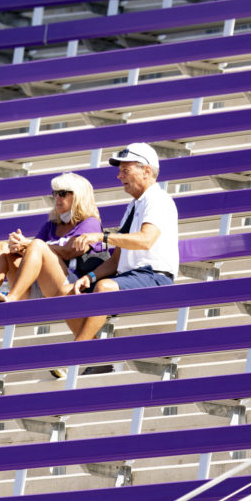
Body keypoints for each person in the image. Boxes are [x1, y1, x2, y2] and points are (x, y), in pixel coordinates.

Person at [69, 142, 178, 364]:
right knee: (71, 290)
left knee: (105, 287)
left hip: (154, 276)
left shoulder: (157, 199)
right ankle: (95, 356)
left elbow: (146, 240)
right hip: (134, 276)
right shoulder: (135, 204)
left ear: (146, 171)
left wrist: (102, 237)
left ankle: (76, 353)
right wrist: (89, 278)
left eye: (125, 170)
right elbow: (118, 258)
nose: (119, 176)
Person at [0, 172, 109, 308]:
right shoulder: (51, 226)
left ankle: (12, 297)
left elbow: (70, 251)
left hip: (70, 286)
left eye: (63, 193)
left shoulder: (90, 223)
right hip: (39, 287)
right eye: (55, 193)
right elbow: (33, 253)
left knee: (37, 244)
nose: (57, 198)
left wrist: (28, 244)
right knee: (3, 247)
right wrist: (18, 247)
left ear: (79, 196)